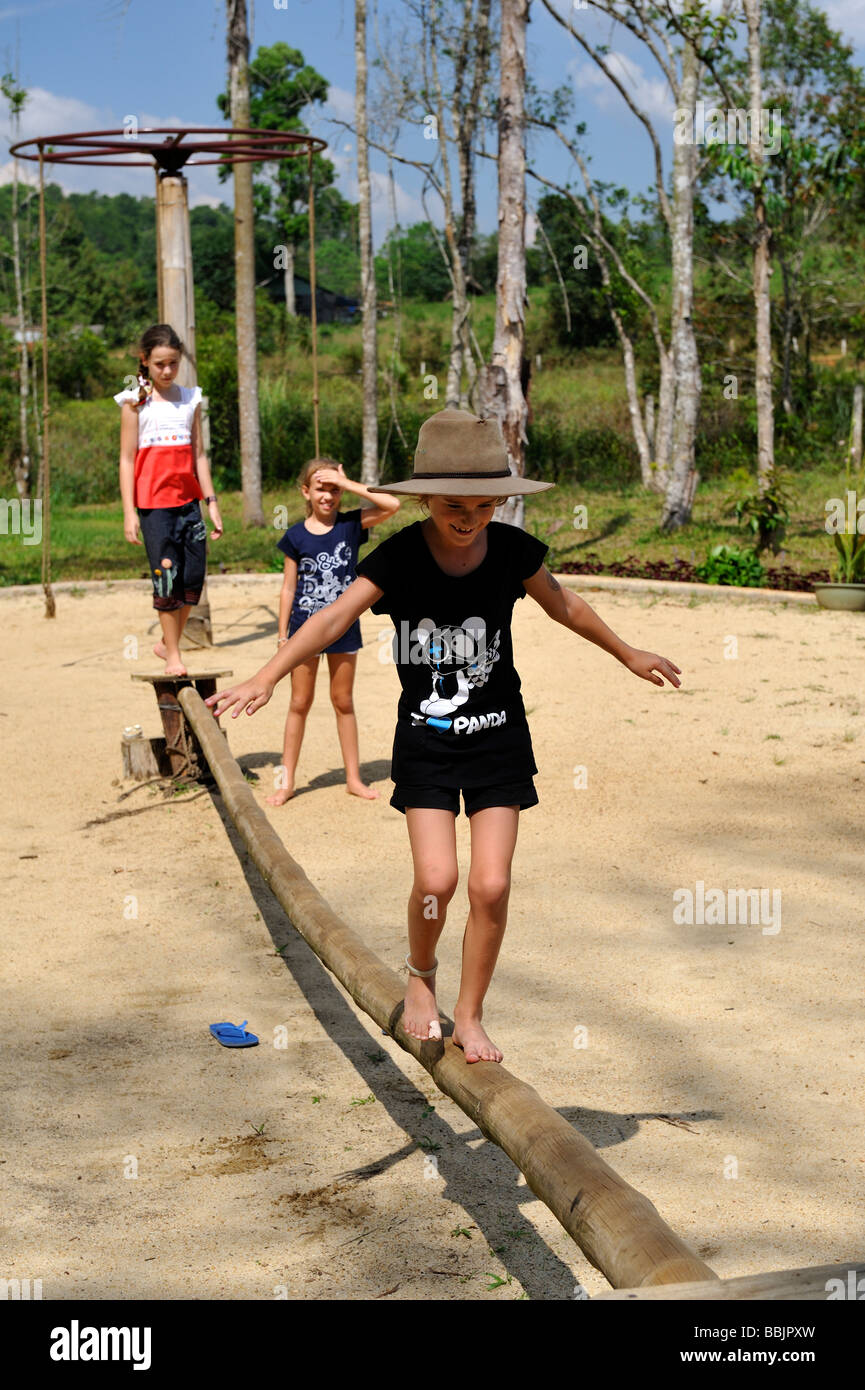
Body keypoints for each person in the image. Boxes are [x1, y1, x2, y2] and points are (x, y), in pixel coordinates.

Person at [206, 409, 681, 1064]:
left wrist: (627, 652)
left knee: (490, 885)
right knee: (436, 880)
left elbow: (564, 605)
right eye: (455, 505)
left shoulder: (511, 550)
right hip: (426, 743)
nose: (470, 518)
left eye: (485, 505)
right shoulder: (399, 556)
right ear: (425, 499)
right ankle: (421, 977)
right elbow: (330, 619)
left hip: (498, 741)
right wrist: (267, 675)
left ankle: (471, 1013)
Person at [267, 458, 400, 804]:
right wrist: (282, 636)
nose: (328, 495)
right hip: (302, 630)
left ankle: (353, 778)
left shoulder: (351, 525)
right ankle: (286, 782)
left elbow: (392, 505)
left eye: (333, 489)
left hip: (344, 629)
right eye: (320, 488)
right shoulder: (294, 536)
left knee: (343, 701)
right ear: (306, 492)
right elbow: (288, 589)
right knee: (299, 702)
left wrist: (347, 482)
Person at [116, 324, 223, 677]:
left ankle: (167, 640)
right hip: (153, 505)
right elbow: (127, 459)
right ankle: (174, 654)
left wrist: (211, 502)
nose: (167, 371)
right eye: (160, 364)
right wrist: (129, 512)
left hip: (189, 502)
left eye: (173, 363)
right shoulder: (134, 401)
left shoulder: (191, 399)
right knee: (166, 575)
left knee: (193, 576)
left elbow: (199, 454)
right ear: (145, 360)